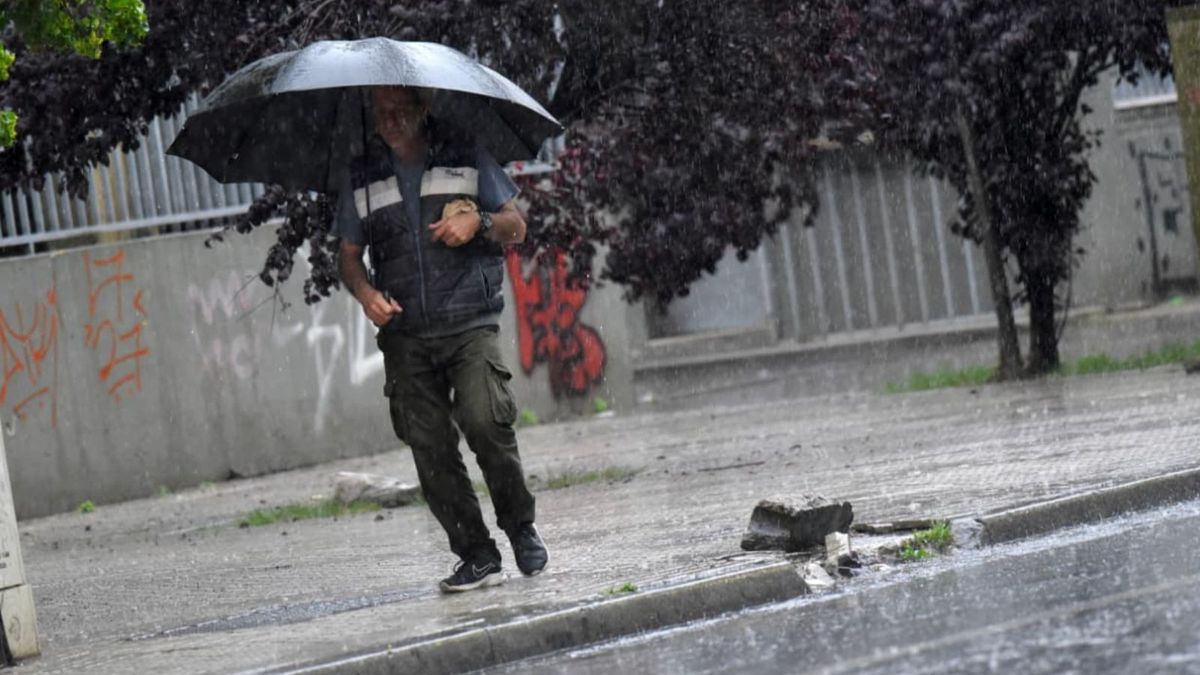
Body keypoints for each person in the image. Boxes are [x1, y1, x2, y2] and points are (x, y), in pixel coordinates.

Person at [335, 85, 548, 593]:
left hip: (468, 323)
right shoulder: (362, 174)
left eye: (398, 110)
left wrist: (478, 222)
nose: (388, 120)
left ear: (422, 108)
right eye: (380, 112)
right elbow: (347, 257)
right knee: (429, 448)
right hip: (405, 334)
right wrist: (366, 294)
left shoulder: (464, 153)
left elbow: (516, 226)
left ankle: (520, 527)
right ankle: (476, 554)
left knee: (485, 422)